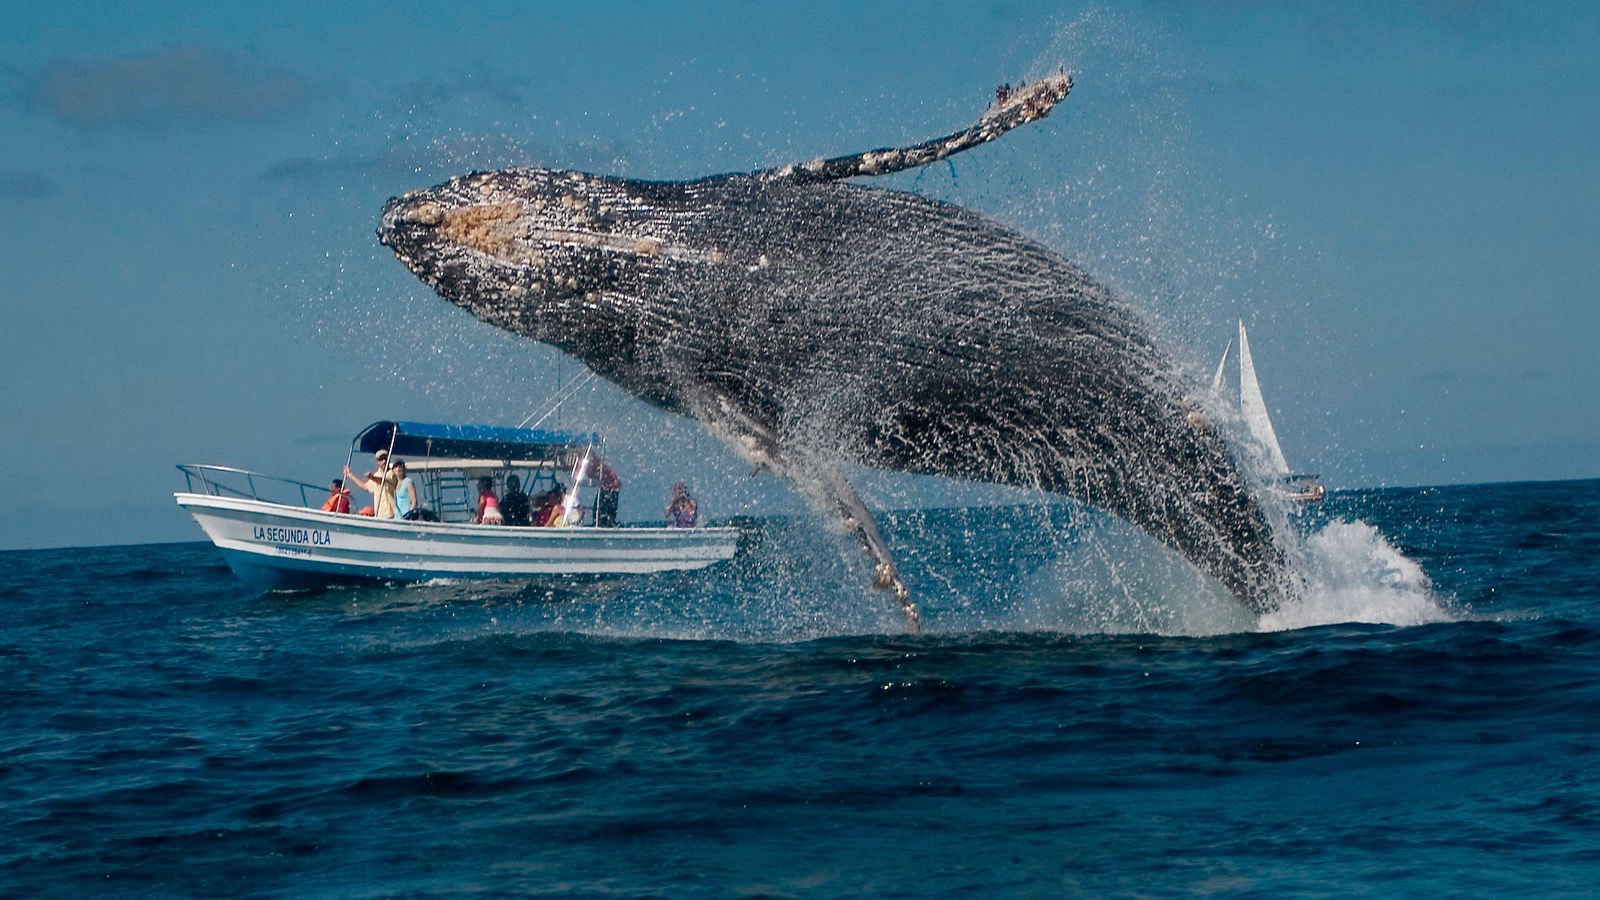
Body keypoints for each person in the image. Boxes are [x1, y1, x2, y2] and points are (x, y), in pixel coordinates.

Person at [344, 452, 398, 519]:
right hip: (379, 514)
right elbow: (365, 487)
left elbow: (382, 480)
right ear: (377, 462)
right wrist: (350, 475)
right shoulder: (377, 474)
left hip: (391, 513)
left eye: (385, 459)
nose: (384, 461)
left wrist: (371, 477)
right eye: (381, 459)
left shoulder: (392, 473)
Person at [595, 461, 622, 527]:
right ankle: (604, 519)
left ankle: (607, 519)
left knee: (604, 508)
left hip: (611, 486)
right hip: (608, 485)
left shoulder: (594, 465)